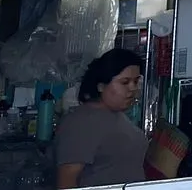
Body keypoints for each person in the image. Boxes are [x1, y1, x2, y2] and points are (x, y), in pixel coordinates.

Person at [56, 48, 149, 188]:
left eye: (135, 82)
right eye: (125, 82)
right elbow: (67, 178)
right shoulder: (82, 122)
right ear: (101, 86)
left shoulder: (117, 116)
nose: (132, 88)